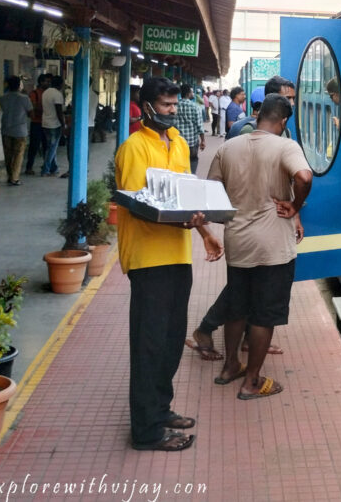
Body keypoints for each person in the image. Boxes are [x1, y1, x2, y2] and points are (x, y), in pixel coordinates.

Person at [115, 77, 223, 451]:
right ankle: (146, 431)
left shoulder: (178, 143)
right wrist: (183, 220)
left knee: (173, 340)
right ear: (146, 107)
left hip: (178, 256)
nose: (172, 112)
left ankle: (160, 410)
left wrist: (205, 232)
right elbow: (141, 205)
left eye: (175, 106)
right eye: (165, 106)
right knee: (149, 343)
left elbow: (187, 197)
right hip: (148, 260)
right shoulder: (133, 148)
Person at [206, 94, 312, 399]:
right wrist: (294, 205)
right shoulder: (285, 146)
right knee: (265, 314)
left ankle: (230, 367)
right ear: (283, 121)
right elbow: (304, 176)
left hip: (237, 241)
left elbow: (213, 190)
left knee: (237, 307)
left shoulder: (228, 147)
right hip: (273, 247)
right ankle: (252, 381)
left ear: (258, 115)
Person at [188, 76, 300, 357]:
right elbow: (239, 177)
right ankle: (209, 330)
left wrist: (294, 214)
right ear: (275, 103)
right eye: (289, 98)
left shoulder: (273, 134)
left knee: (245, 289)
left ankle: (245, 342)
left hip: (253, 227)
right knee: (245, 291)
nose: (293, 103)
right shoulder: (250, 131)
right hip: (254, 226)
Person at [0, 76, 32, 186]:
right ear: (19, 85)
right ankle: (15, 178)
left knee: (8, 155)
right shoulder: (24, 98)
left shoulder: (3, 98)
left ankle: (10, 176)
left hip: (6, 129)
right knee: (18, 155)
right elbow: (31, 113)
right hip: (20, 130)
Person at [174, 84, 206, 173]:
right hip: (192, 142)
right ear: (188, 93)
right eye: (192, 92)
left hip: (178, 141)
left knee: (179, 162)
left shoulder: (175, 106)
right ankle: (191, 176)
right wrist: (203, 140)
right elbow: (200, 126)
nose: (193, 94)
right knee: (193, 160)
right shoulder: (195, 106)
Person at [40, 75, 65, 177]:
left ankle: (54, 168)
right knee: (52, 148)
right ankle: (45, 170)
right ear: (60, 84)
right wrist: (63, 124)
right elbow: (59, 111)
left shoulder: (45, 92)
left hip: (45, 123)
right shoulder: (57, 94)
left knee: (51, 147)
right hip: (54, 125)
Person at [24, 73, 50, 176]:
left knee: (46, 146)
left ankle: (45, 166)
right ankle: (29, 167)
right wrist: (47, 110)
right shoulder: (34, 93)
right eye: (46, 81)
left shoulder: (48, 93)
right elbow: (33, 107)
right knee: (34, 146)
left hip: (46, 123)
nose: (48, 84)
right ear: (41, 82)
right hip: (37, 123)